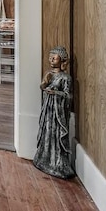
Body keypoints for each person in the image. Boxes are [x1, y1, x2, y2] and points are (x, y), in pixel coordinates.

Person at [32, 46, 75, 179]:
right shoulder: (50, 74)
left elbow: (69, 96)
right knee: (47, 132)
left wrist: (55, 92)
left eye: (54, 58)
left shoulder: (65, 78)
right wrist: (45, 83)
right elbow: (42, 87)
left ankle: (57, 163)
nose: (51, 60)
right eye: (50, 57)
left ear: (61, 60)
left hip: (58, 112)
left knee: (56, 134)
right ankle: (43, 158)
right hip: (48, 110)